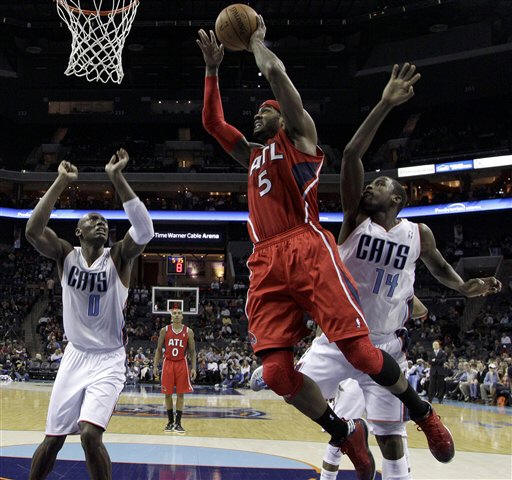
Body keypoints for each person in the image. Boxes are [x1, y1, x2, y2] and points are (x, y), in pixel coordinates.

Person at [197, 22, 479, 478]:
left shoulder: (300, 137)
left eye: (264, 111)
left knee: (362, 353)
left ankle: (423, 412)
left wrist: (254, 42)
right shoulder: (252, 156)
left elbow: (277, 76)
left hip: (305, 245)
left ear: (282, 118)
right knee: (275, 373)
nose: (256, 115)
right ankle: (344, 433)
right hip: (265, 257)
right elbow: (213, 124)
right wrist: (212, 71)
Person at [293, 65, 501, 479]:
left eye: (380, 184)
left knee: (391, 438)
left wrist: (464, 287)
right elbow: (351, 155)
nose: (370, 187)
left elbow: (441, 269)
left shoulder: (418, 234)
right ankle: (344, 434)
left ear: (398, 198)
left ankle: (399, 450)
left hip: (386, 344)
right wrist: (385, 103)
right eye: (370, 184)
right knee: (290, 385)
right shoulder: (355, 221)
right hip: (339, 338)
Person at [26, 149, 154, 480]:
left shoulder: (119, 257)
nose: (100, 223)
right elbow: (32, 231)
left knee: (89, 435)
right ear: (78, 231)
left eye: (104, 221)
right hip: (75, 356)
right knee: (52, 440)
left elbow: (145, 230)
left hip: (109, 358)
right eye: (92, 219)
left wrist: (117, 178)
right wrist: (60, 181)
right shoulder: (64, 254)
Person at [153, 308, 196, 434]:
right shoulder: (164, 330)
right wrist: (155, 366)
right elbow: (158, 349)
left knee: (180, 394)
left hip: (181, 363)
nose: (177, 315)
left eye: (179, 313)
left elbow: (192, 352)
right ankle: (170, 422)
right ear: (171, 317)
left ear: (182, 316)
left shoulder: (188, 331)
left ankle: (178, 423)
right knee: (167, 394)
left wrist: (193, 368)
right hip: (168, 363)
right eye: (175, 314)